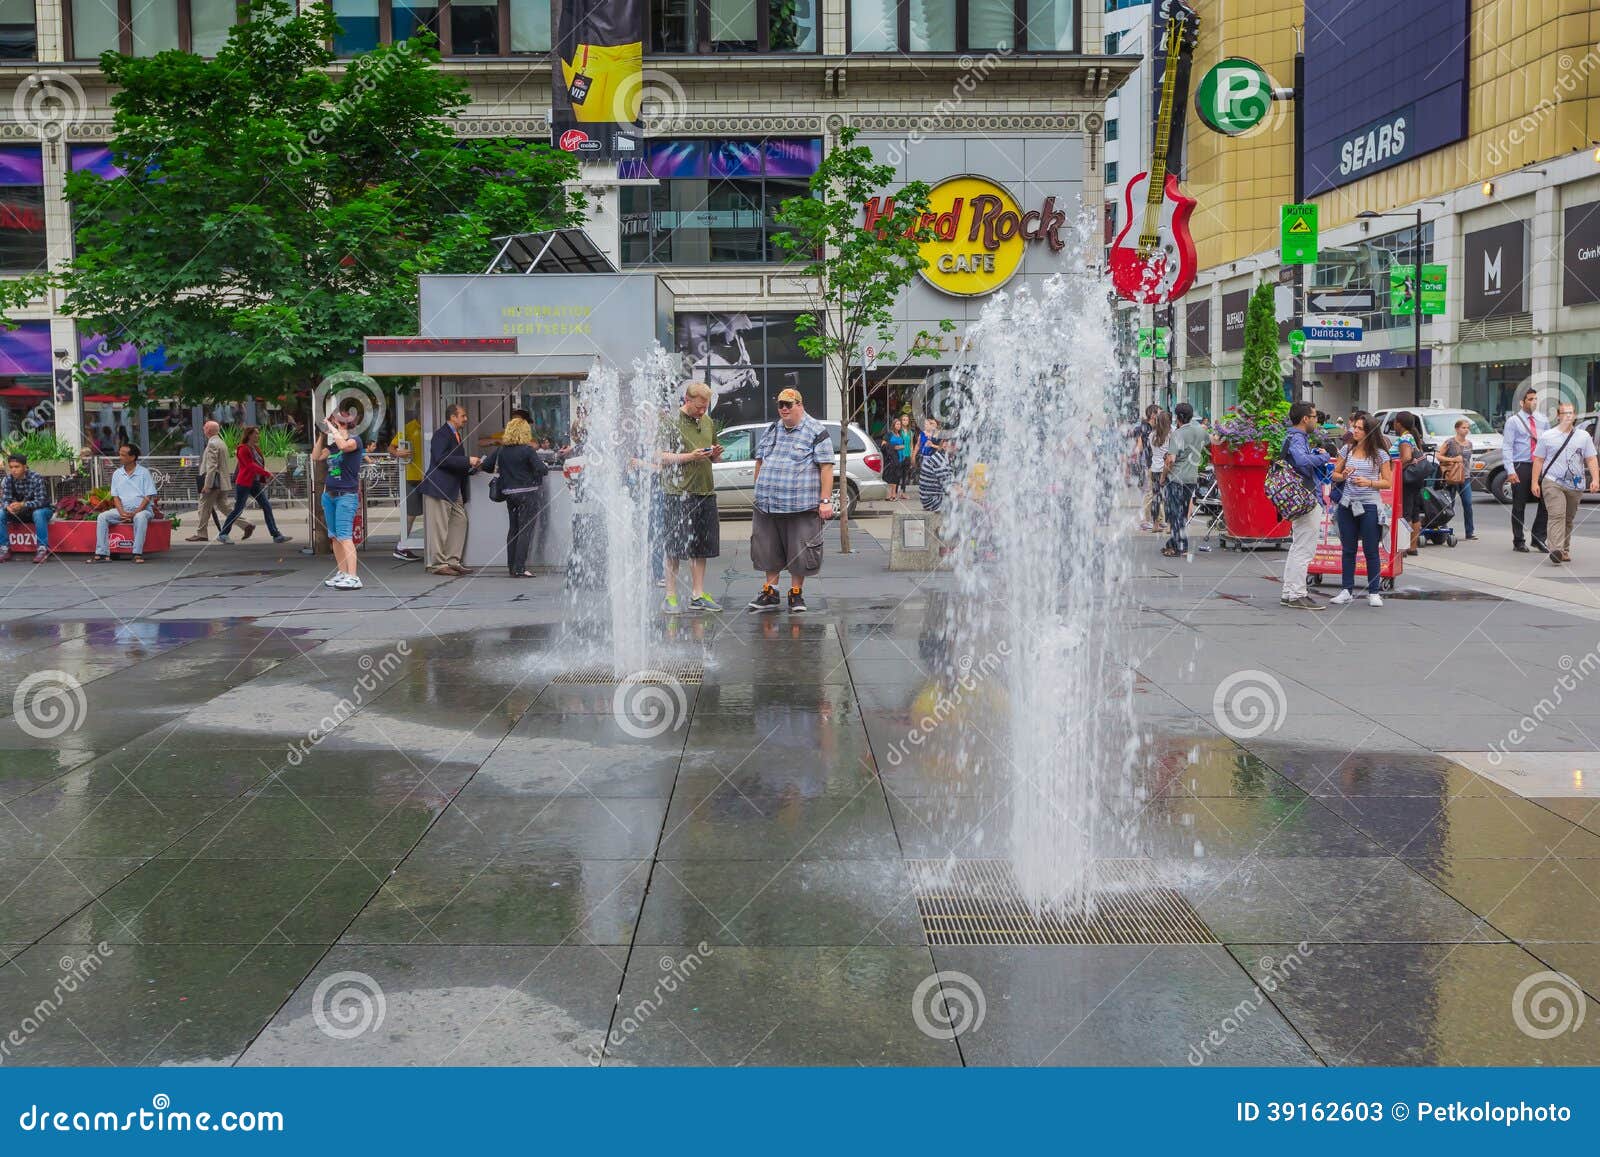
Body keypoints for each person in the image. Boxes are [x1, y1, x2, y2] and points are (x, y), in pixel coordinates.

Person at [746, 388, 836, 614]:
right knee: (768, 549)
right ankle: (770, 591)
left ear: (800, 405)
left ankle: (796, 594)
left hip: (801, 506)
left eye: (788, 404)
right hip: (768, 505)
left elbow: (826, 467)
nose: (784, 409)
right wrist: (759, 489)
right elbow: (760, 461)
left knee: (801, 550)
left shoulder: (816, 431)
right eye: (780, 405)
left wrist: (825, 500)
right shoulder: (772, 429)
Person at [658, 381, 723, 613]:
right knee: (674, 547)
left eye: (705, 407)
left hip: (705, 490)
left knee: (701, 547)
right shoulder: (670, 422)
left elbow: (714, 457)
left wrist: (715, 455)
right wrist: (689, 457)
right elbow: (660, 456)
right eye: (698, 407)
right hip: (678, 493)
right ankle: (671, 596)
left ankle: (698, 594)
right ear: (687, 400)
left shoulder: (707, 422)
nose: (702, 412)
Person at [1329, 411, 1393, 607]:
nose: (1354, 430)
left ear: (1369, 432)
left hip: (1369, 505)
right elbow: (1334, 476)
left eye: (1359, 428)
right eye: (1354, 427)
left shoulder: (1380, 454)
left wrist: (1368, 482)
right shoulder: (1346, 450)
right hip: (1347, 505)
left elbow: (1387, 482)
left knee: (1370, 550)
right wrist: (1344, 474)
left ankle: (1373, 591)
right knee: (1348, 549)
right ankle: (1346, 589)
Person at [1531, 401, 1600, 565]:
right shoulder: (1547, 436)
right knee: (1557, 515)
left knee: (1568, 518)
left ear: (1574, 416)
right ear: (1558, 416)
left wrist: (1596, 479)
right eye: (1564, 413)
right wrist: (1535, 482)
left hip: (1575, 484)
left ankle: (1564, 549)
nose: (1568, 416)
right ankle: (1555, 549)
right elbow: (1538, 460)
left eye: (1571, 413)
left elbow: (1590, 458)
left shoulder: (1583, 436)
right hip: (1552, 482)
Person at [479, 416, 548, 577]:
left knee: (514, 529)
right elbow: (541, 469)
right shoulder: (527, 450)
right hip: (527, 494)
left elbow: (487, 466)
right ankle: (520, 567)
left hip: (510, 495)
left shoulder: (502, 450)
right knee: (525, 529)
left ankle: (511, 566)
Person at [420, 403, 481, 577]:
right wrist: (467, 460)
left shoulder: (455, 434)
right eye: (462, 416)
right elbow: (441, 459)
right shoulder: (442, 434)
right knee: (439, 526)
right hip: (440, 487)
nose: (465, 419)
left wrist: (471, 466)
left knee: (460, 521)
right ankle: (439, 564)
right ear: (452, 417)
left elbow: (453, 461)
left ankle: (452, 560)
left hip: (453, 488)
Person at [1279, 401, 1330, 610]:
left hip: (1297, 497)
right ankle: (1298, 594)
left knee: (1297, 546)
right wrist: (1323, 456)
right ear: (1305, 419)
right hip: (1306, 496)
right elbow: (1301, 461)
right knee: (1304, 549)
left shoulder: (1292, 437)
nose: (1317, 420)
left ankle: (1289, 591)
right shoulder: (1298, 438)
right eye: (1315, 416)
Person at [313, 409, 364, 589]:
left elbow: (344, 446)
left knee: (344, 536)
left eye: (335, 422)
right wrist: (321, 435)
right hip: (330, 495)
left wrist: (333, 429)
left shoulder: (354, 441)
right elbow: (316, 456)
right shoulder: (333, 447)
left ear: (343, 424)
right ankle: (342, 572)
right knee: (334, 536)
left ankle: (353, 576)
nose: (332, 426)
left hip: (346, 496)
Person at [218, 427, 289, 543]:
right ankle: (223, 534)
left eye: (258, 434)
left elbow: (258, 465)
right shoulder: (242, 449)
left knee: (267, 506)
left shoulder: (255, 449)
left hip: (255, 483)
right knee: (238, 509)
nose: (258, 436)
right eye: (256, 434)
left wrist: (264, 476)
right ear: (249, 435)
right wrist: (266, 473)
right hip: (244, 483)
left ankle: (276, 535)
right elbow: (250, 465)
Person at [89, 443, 158, 563]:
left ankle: (137, 553)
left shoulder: (144, 473)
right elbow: (115, 497)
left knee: (140, 517)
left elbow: (149, 495)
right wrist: (122, 513)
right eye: (119, 454)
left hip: (142, 510)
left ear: (132, 457)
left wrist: (136, 511)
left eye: (123, 455)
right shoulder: (117, 474)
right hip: (122, 510)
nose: (120, 457)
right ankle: (102, 553)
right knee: (102, 517)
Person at [1502, 385, 1550, 554]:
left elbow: (1549, 444)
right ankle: (1518, 540)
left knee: (1546, 502)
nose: (1534, 402)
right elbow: (1507, 447)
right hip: (1521, 465)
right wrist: (1510, 470)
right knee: (1519, 505)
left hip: (1540, 465)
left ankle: (1538, 538)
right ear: (1522, 402)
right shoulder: (1513, 421)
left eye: (1536, 399)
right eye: (1530, 399)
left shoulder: (1543, 420)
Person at [1162, 402, 1206, 557]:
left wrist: (1162, 477)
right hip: (1191, 479)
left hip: (1176, 479)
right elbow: (1212, 440)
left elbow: (1170, 460)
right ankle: (1172, 543)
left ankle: (1181, 546)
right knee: (1182, 513)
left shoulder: (1178, 434)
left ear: (1177, 417)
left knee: (1175, 513)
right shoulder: (1200, 431)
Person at [187, 420, 237, 543]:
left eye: (204, 428)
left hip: (214, 483)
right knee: (225, 507)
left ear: (208, 431)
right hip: (222, 482)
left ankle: (202, 534)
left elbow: (212, 467)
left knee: (203, 507)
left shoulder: (212, 444)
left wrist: (207, 485)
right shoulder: (221, 442)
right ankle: (246, 524)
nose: (203, 429)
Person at [0, 453, 52, 563]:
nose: (13, 470)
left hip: (41, 510)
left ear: (25, 466)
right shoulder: (9, 479)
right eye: (11, 467)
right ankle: (4, 548)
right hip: (20, 512)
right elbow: (5, 499)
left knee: (38, 513)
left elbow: (41, 501)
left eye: (17, 467)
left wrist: (22, 504)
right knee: (1, 513)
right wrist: (8, 507)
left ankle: (42, 549)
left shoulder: (36, 477)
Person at [1388, 410, 1426, 556]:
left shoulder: (1405, 438)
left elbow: (1406, 457)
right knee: (1415, 512)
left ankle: (1403, 548)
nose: (1394, 426)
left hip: (1406, 479)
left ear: (1399, 423)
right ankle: (1412, 547)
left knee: (1406, 513)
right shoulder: (1412, 436)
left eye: (1395, 423)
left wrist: (1393, 471)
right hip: (1415, 479)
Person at [388, 415, 424, 561]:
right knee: (411, 514)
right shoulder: (409, 427)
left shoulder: (435, 422)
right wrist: (397, 453)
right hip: (412, 476)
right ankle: (401, 546)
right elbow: (391, 447)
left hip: (429, 475)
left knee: (432, 512)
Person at [1438, 417, 1477, 540]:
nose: (1466, 430)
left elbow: (1467, 460)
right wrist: (1453, 459)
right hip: (1452, 477)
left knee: (1468, 503)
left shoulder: (1469, 444)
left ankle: (1469, 532)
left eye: (1467, 428)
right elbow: (1439, 456)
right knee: (1449, 504)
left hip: (1465, 477)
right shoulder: (1450, 442)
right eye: (1463, 428)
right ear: (1457, 429)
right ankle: (1444, 530)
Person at [1143, 408, 1171, 533]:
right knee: (1169, 499)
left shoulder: (1151, 435)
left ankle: (1155, 525)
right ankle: (1170, 525)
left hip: (1155, 468)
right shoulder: (1171, 434)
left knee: (1156, 498)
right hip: (1167, 469)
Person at [917, 428, 953, 512]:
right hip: (934, 501)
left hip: (933, 499)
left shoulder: (942, 457)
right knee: (972, 508)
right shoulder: (940, 461)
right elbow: (950, 488)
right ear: (945, 445)